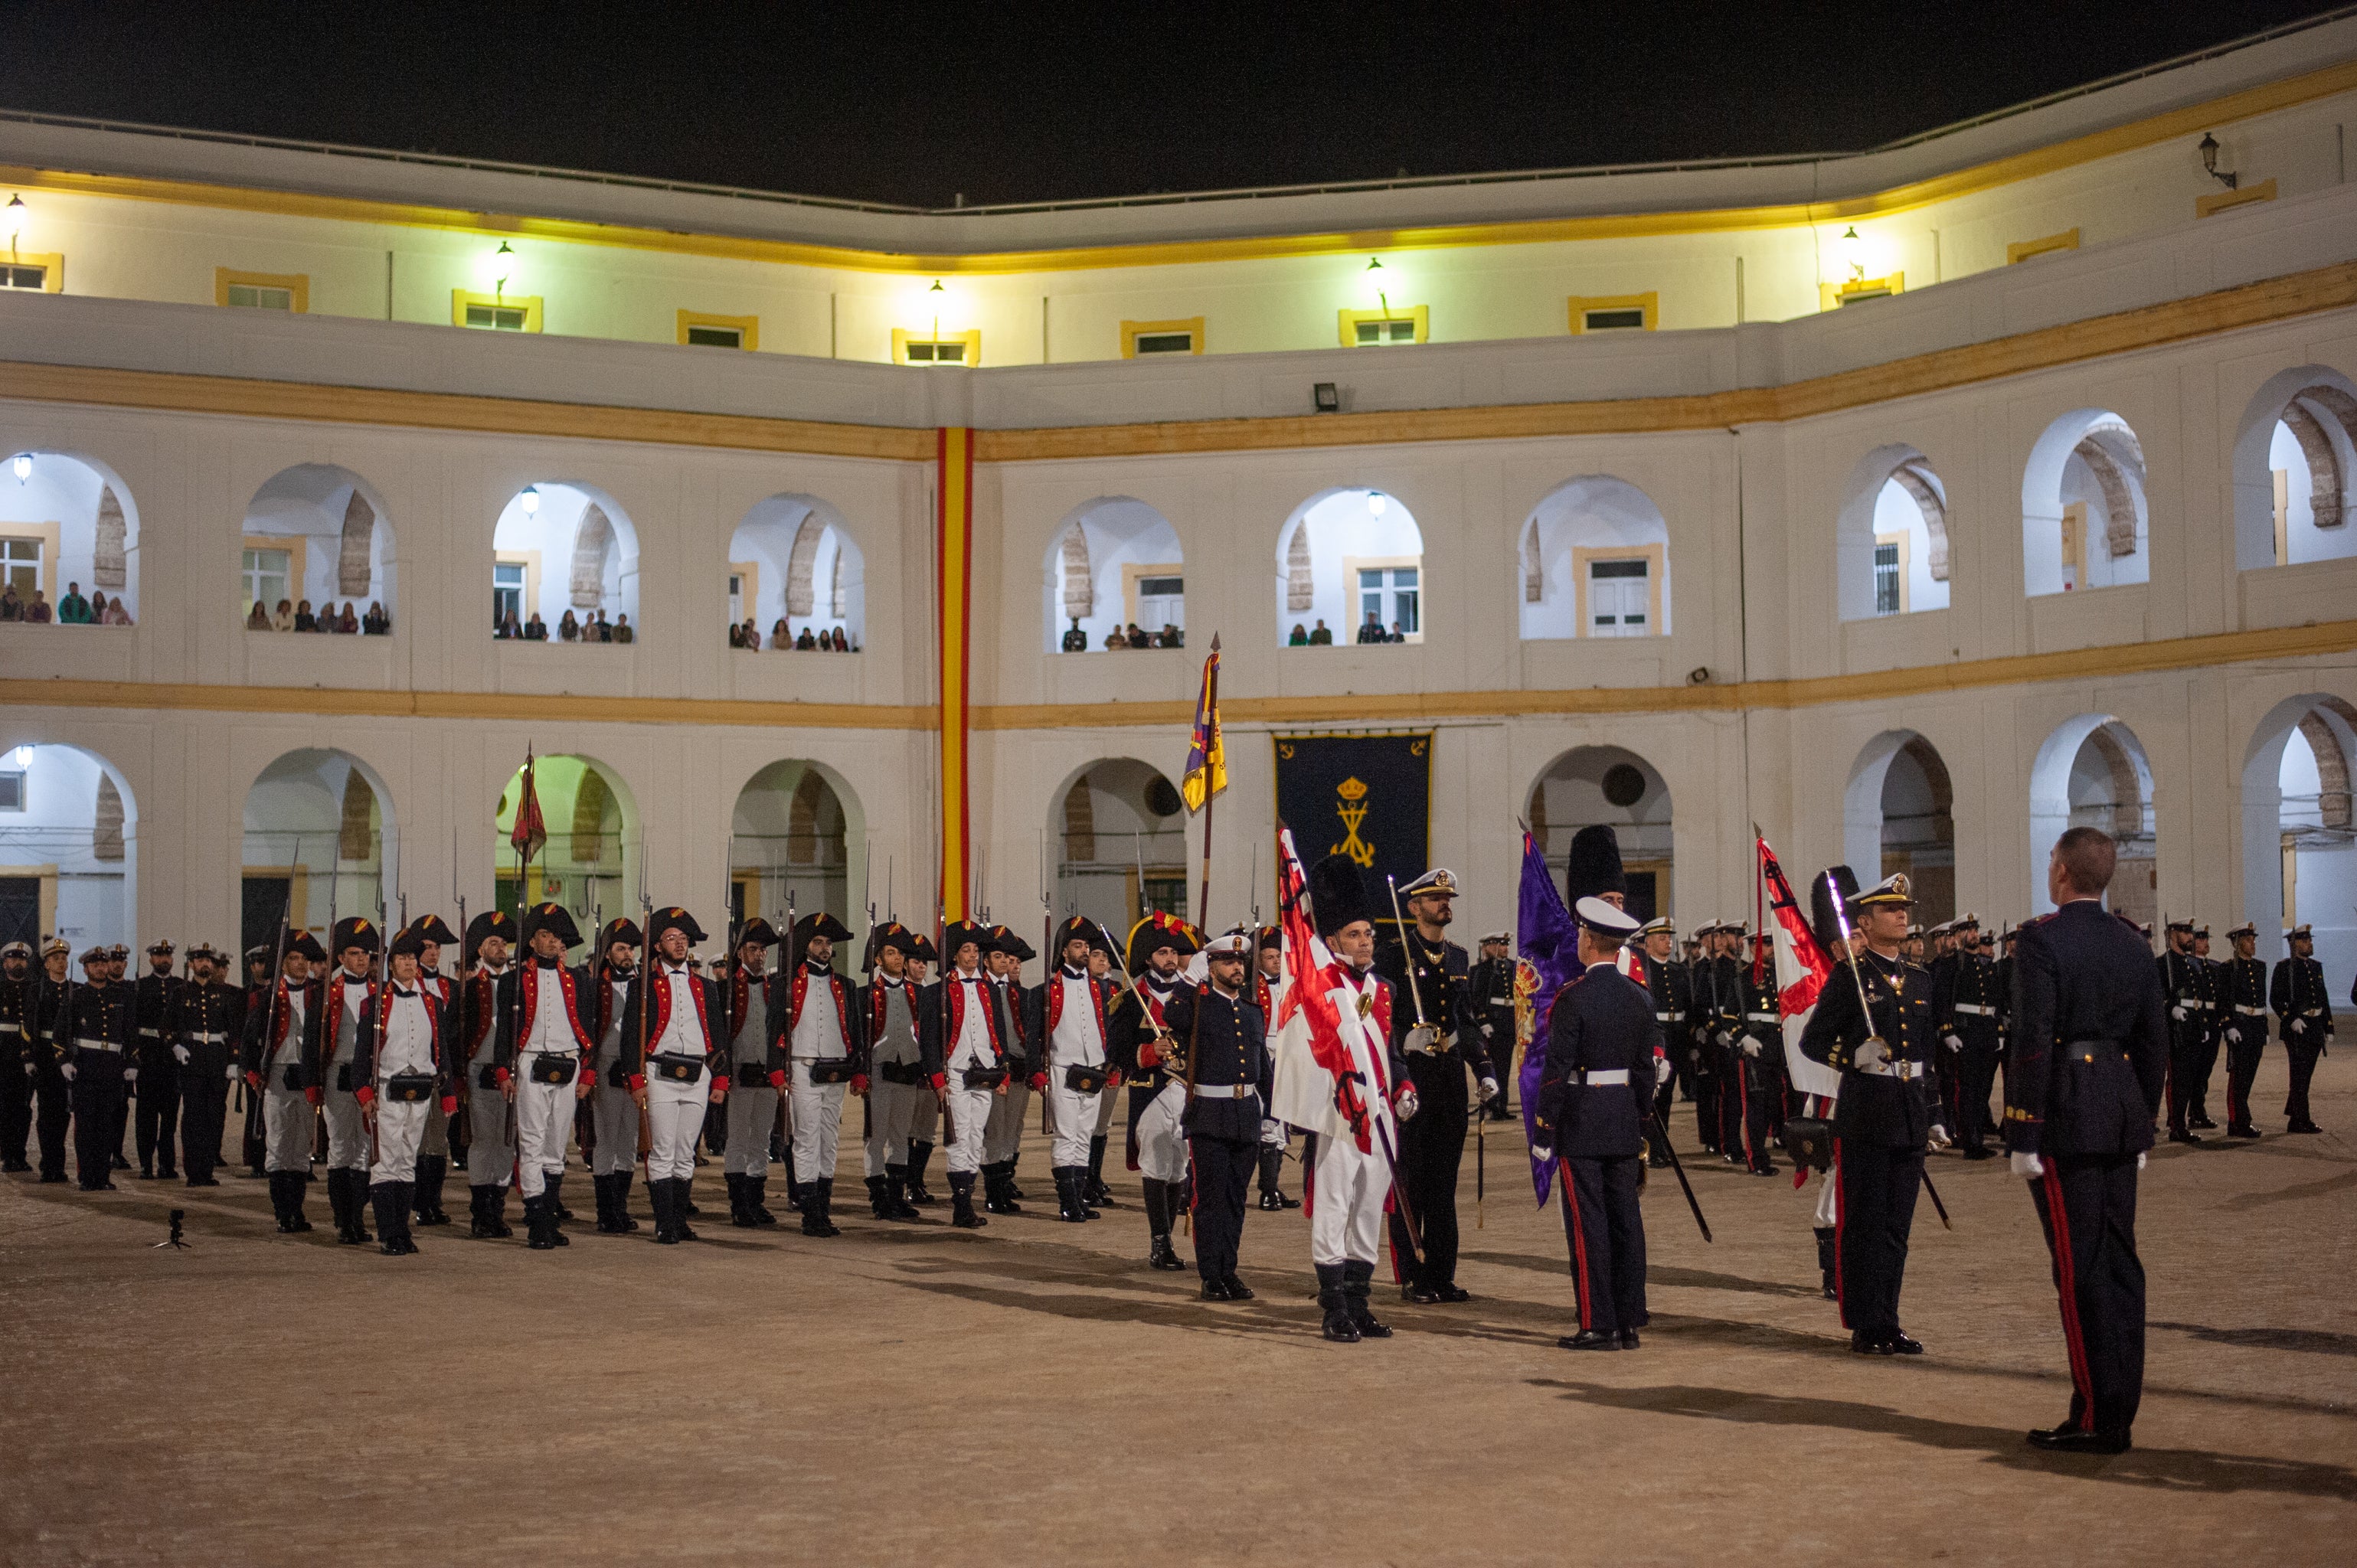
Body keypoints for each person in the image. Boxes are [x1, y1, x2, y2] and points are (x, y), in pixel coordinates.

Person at [2004, 825, 2170, 1455]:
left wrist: (2023, 1129)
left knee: (2078, 1269)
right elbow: (2154, 1042)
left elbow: (2032, 1038)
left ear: (2063, 873)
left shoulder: (2041, 940)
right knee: (2121, 1263)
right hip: (2120, 1113)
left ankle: (2097, 1416)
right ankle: (2116, 1406)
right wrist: (2142, 1119)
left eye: (2052, 860)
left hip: (2066, 1117)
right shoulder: (2131, 942)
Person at [1798, 873, 1950, 1356]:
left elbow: (1926, 1057)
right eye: (1889, 908)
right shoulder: (1851, 979)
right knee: (1863, 1224)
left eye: (1904, 907)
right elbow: (1813, 1042)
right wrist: (1852, 1055)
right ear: (1863, 921)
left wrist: (1935, 1114)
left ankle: (1889, 1318)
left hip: (1907, 1113)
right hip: (1866, 1114)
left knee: (1895, 1229)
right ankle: (1866, 1323)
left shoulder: (1921, 980)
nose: (1902, 913)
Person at [1279, 854, 1417, 1343]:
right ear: (1333, 940)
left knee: (1368, 1207)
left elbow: (1389, 1052)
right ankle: (1332, 1306)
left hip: (1380, 1112)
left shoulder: (1381, 990)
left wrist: (1403, 1087)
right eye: (1354, 935)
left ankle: (1359, 1303)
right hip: (1338, 1110)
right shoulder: (1322, 987)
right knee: (1335, 1205)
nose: (1365, 942)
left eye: (1369, 935)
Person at [1529, 896, 1658, 1349]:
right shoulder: (1639, 997)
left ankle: (1596, 1323)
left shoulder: (1573, 998)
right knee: (1627, 1220)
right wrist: (1639, 1117)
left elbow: (1557, 1069)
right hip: (1623, 1117)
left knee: (1589, 1225)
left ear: (1587, 941)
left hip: (1582, 1120)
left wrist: (1545, 1127)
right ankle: (1628, 1319)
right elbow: (1647, 1069)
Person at [1376, 867, 1496, 1305]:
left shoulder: (1460, 958)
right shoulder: (1392, 957)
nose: (1445, 904)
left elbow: (1464, 1019)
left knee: (1444, 1185)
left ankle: (1441, 1275)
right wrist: (1403, 1040)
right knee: (1410, 1181)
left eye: (1448, 898)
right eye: (1435, 898)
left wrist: (1484, 1069)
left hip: (1447, 1079)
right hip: (1411, 1077)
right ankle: (1412, 1273)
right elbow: (1380, 1019)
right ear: (1413, 907)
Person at [1157, 927, 1270, 1301]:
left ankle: (1230, 1271)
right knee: (1211, 1200)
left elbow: (1261, 1066)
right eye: (1227, 961)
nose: (1237, 967)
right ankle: (1211, 1275)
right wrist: (1190, 979)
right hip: (1210, 1115)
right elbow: (1172, 1015)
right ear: (1212, 965)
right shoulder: (1198, 1006)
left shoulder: (1253, 1012)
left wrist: (1271, 1113)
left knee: (1237, 1199)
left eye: (1240, 961)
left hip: (1246, 1115)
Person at [622, 906, 724, 1244]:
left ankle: (680, 1219)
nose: (679, 945)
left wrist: (720, 1078)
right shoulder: (644, 987)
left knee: (686, 1151)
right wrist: (636, 1080)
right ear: (657, 946)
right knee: (663, 1150)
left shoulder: (706, 987)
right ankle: (665, 1222)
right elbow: (630, 1038)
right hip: (659, 1070)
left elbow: (719, 1037)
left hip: (698, 1073)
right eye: (671, 939)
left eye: (683, 939)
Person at [355, 925, 456, 1256]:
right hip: (386, 1090)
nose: (410, 963)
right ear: (392, 964)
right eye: (403, 958)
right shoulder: (375, 1004)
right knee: (386, 1161)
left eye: (413, 957)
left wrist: (449, 1092)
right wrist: (364, 1095)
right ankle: (388, 1233)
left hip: (422, 1090)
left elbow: (442, 1050)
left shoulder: (432, 1003)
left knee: (408, 1159)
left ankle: (403, 1229)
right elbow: (362, 1055)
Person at [499, 903, 594, 1250]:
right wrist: (503, 1069)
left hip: (569, 1064)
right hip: (529, 1063)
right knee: (532, 1144)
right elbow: (505, 1033)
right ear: (532, 941)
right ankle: (537, 1220)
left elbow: (589, 1027)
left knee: (557, 1145)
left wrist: (590, 1071)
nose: (552, 941)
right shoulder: (513, 981)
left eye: (557, 936)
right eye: (544, 935)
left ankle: (549, 1217)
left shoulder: (578, 980)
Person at [1110, 912, 1201, 1269]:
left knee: (1179, 1165)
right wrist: (1149, 1052)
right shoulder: (1131, 998)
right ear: (1149, 959)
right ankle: (1159, 1243)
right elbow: (1115, 1049)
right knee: (1155, 1165)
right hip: (1151, 1091)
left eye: (1173, 952)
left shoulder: (1193, 994)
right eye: (1162, 953)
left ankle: (1168, 1236)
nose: (1169, 959)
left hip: (1187, 1090)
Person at [1031, 916, 1120, 1223]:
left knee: (1085, 1136)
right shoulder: (1047, 989)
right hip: (1062, 1069)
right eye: (1078, 946)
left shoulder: (1100, 988)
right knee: (1066, 1136)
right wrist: (1036, 1071)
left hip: (1095, 1070)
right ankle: (1067, 1202)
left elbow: (1107, 1028)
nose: (1085, 951)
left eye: (1087, 946)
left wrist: (1110, 1063)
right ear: (1064, 950)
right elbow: (1036, 1036)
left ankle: (1080, 1198)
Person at [780, 912, 863, 1236]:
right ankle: (809, 1213)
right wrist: (777, 1070)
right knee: (806, 1138)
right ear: (805, 947)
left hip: (837, 1069)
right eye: (818, 942)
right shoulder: (787, 984)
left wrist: (858, 1072)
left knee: (830, 1140)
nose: (825, 948)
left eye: (828, 943)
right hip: (801, 1067)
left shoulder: (845, 985)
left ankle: (823, 1210)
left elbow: (855, 1031)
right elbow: (777, 1028)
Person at [240, 929, 325, 1231]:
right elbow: (250, 1040)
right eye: (293, 958)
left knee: (302, 1145)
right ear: (283, 962)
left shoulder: (320, 994)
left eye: (304, 958)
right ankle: (282, 1212)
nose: (300, 964)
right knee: (278, 1143)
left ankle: (297, 1210)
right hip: (277, 1073)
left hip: (308, 1075)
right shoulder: (268, 998)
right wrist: (253, 1074)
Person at [859, 921, 937, 1220]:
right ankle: (879, 1199)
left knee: (901, 1136)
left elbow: (926, 1036)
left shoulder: (919, 994)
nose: (897, 959)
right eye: (890, 953)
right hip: (879, 1071)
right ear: (878, 959)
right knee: (875, 1137)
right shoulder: (867, 993)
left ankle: (896, 1196)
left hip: (908, 1072)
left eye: (900, 954)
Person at [312, 917, 383, 1246]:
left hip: (370, 1076)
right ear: (340, 958)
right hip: (338, 1072)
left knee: (366, 1148)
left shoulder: (380, 992)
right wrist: (314, 1084)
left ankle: (358, 1215)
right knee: (342, 1145)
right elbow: (314, 1043)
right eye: (354, 954)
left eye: (366, 954)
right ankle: (344, 1219)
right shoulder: (327, 993)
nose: (361, 960)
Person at [717, 918, 785, 1228]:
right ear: (740, 951)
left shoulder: (775, 989)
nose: (759, 955)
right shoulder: (727, 988)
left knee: (762, 1140)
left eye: (763, 950)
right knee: (738, 1140)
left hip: (768, 1075)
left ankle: (756, 1201)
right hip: (740, 1074)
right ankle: (738, 1203)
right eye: (753, 949)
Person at [456, 910, 520, 1236]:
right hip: (480, 1068)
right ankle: (481, 1213)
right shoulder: (469, 988)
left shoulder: (521, 984)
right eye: (493, 943)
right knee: (483, 1141)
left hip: (513, 1071)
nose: (500, 948)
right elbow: (458, 1034)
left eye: (503, 942)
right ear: (480, 951)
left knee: (507, 1141)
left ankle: (499, 1209)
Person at [580, 916, 643, 1234]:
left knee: (629, 1140)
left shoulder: (644, 983)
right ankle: (606, 1211)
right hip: (605, 1064)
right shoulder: (595, 985)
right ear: (608, 953)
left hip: (636, 1069)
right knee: (606, 1138)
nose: (628, 953)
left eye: (631, 948)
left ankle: (621, 1206)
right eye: (621, 948)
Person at [402, 914, 460, 1227]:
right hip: (412, 1071)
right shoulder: (408, 985)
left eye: (437, 947)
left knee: (438, 1142)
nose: (433, 952)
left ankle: (431, 1202)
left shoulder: (450, 986)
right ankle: (413, 1200)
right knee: (413, 1141)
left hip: (441, 1071)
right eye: (426, 947)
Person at [62, 946, 134, 1189]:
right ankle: (87, 1176)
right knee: (86, 1126)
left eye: (103, 964)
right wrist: (63, 1061)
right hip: (85, 1066)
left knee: (107, 1125)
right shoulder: (77, 996)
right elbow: (61, 1032)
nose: (101, 968)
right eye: (95, 965)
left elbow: (130, 1033)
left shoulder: (120, 996)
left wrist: (132, 1062)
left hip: (112, 1068)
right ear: (86, 969)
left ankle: (103, 1176)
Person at [979, 925, 1040, 1214]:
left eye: (1009, 957)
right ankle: (993, 1193)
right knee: (994, 1131)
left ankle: (1004, 1188)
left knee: (1011, 1130)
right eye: (999, 956)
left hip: (1018, 1067)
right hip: (992, 1069)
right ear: (987, 960)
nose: (1006, 962)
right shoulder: (981, 988)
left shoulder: (1018, 993)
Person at [2156, 919, 2216, 1145]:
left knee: (2190, 1080)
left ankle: (2182, 1122)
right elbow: (2156, 996)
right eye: (2184, 932)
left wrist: (2203, 1026)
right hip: (2176, 1030)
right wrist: (2171, 1008)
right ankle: (2176, 1126)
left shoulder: (2192, 964)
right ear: (2172, 935)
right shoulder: (2163, 964)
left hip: (2193, 1028)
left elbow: (2198, 999)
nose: (2190, 936)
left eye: (2191, 932)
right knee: (2178, 1080)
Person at [1252, 927, 1299, 1208]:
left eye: (1279, 956)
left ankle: (1273, 1186)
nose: (1275, 962)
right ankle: (1267, 1190)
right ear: (1259, 959)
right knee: (1268, 1122)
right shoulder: (1251, 985)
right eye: (1269, 957)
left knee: (1283, 1122)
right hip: (1262, 1052)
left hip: (1287, 1051)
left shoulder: (1293, 982)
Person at [2271, 924, 2332, 1133]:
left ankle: (2295, 1116)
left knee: (2305, 1075)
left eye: (2310, 940)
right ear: (2293, 944)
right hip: (2297, 1028)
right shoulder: (2284, 968)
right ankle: (2301, 1119)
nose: (2309, 943)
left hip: (2315, 1026)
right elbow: (2276, 1000)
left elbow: (2323, 998)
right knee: (2299, 1074)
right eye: (2305, 940)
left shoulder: (2316, 967)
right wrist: (2291, 1019)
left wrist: (2329, 1026)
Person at [131, 940, 183, 1179]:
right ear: (151, 959)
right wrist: (134, 1057)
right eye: (159, 955)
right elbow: (131, 1026)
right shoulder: (140, 986)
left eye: (167, 955)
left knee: (170, 1118)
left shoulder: (180, 986)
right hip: (148, 1058)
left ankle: (167, 1164)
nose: (164, 959)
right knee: (146, 1117)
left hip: (171, 1060)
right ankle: (145, 1164)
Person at [2217, 922, 2268, 1138]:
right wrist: (2229, 1026)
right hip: (2240, 1025)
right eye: (2248, 940)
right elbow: (2223, 1001)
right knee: (2239, 1076)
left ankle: (2241, 1119)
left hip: (2256, 1025)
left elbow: (2261, 999)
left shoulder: (2260, 967)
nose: (2252, 943)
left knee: (2249, 1074)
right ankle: (2237, 1121)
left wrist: (2264, 1026)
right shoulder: (2228, 968)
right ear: (2237, 943)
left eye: (2253, 939)